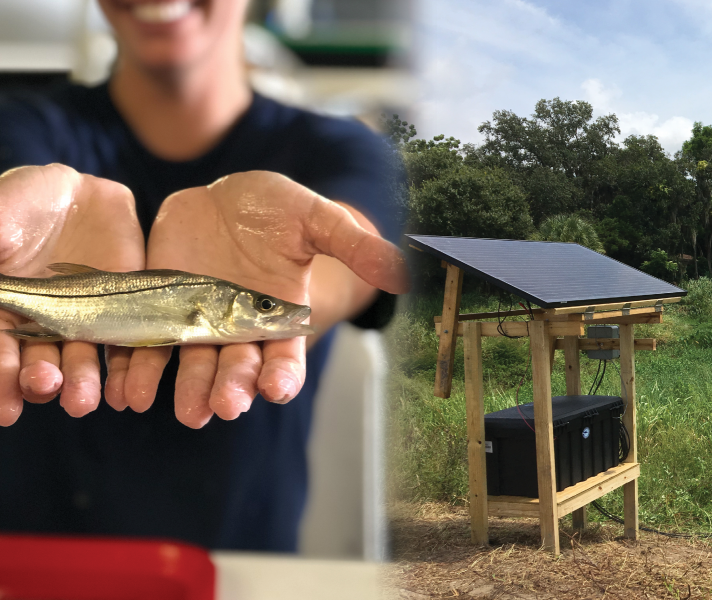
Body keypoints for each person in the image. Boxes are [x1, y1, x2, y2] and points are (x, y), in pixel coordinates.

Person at [0, 0, 407, 551]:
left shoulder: (344, 146)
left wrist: (299, 285)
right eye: (260, 308)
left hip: (240, 549)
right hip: (35, 545)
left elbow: (345, 263)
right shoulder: (20, 122)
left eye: (261, 307)